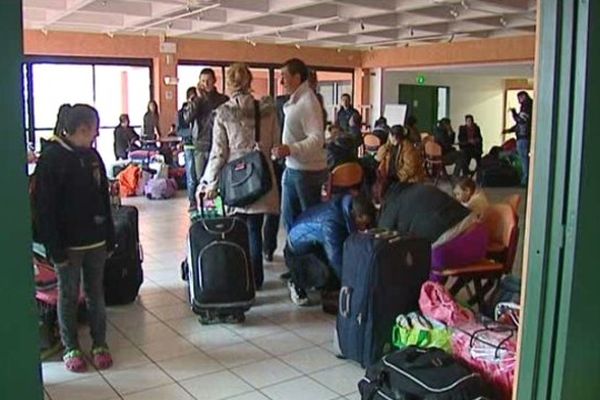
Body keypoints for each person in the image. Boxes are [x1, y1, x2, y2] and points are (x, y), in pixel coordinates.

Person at [34, 104, 115, 373]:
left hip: (95, 242)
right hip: (67, 246)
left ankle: (100, 343)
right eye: (93, 130)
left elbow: (104, 199)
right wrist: (54, 247)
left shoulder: (92, 157)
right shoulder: (52, 160)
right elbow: (45, 209)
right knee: (67, 296)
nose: (95, 136)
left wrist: (110, 236)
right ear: (80, 129)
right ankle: (71, 346)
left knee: (96, 294)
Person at [198, 63, 280, 290]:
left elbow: (219, 152)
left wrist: (209, 182)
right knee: (255, 228)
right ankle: (258, 278)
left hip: (237, 180)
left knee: (240, 229)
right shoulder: (267, 110)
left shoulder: (224, 113)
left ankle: (245, 278)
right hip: (261, 176)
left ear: (230, 84)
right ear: (249, 81)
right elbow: (275, 143)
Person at [285, 194, 376, 306]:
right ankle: (296, 281)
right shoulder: (332, 222)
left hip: (314, 244)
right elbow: (336, 259)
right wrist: (352, 287)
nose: (365, 228)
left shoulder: (344, 207)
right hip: (297, 251)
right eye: (363, 224)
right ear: (356, 216)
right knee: (327, 273)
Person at [272, 58, 328, 233]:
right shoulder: (297, 100)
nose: (281, 81)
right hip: (294, 169)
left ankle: (308, 258)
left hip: (306, 173)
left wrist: (290, 149)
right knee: (291, 221)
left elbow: (317, 138)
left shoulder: (308, 102)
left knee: (308, 224)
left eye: (284, 76)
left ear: (297, 78)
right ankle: (296, 257)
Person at [378, 182, 480, 249]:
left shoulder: (392, 206)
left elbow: (382, 236)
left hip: (453, 242)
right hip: (476, 233)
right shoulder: (416, 188)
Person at [185, 68, 229, 209]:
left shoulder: (222, 100)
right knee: (200, 180)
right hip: (200, 145)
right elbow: (187, 118)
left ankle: (218, 208)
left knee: (218, 179)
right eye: (203, 81)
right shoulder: (196, 100)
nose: (205, 84)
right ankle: (200, 208)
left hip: (218, 144)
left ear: (214, 81)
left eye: (208, 81)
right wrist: (197, 99)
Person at [374, 125, 425, 201]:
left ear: (400, 137)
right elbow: (378, 157)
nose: (393, 139)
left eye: (395, 137)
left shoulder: (408, 147)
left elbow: (410, 169)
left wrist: (398, 177)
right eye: (391, 136)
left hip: (407, 178)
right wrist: (386, 146)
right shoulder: (389, 145)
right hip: (393, 175)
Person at [503, 91, 533, 186]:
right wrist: (509, 130)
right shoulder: (529, 106)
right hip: (524, 136)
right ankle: (525, 178)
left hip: (523, 137)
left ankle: (525, 179)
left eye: (519, 98)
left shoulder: (526, 106)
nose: (519, 101)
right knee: (523, 158)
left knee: (524, 159)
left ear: (523, 96)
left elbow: (521, 121)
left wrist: (514, 113)